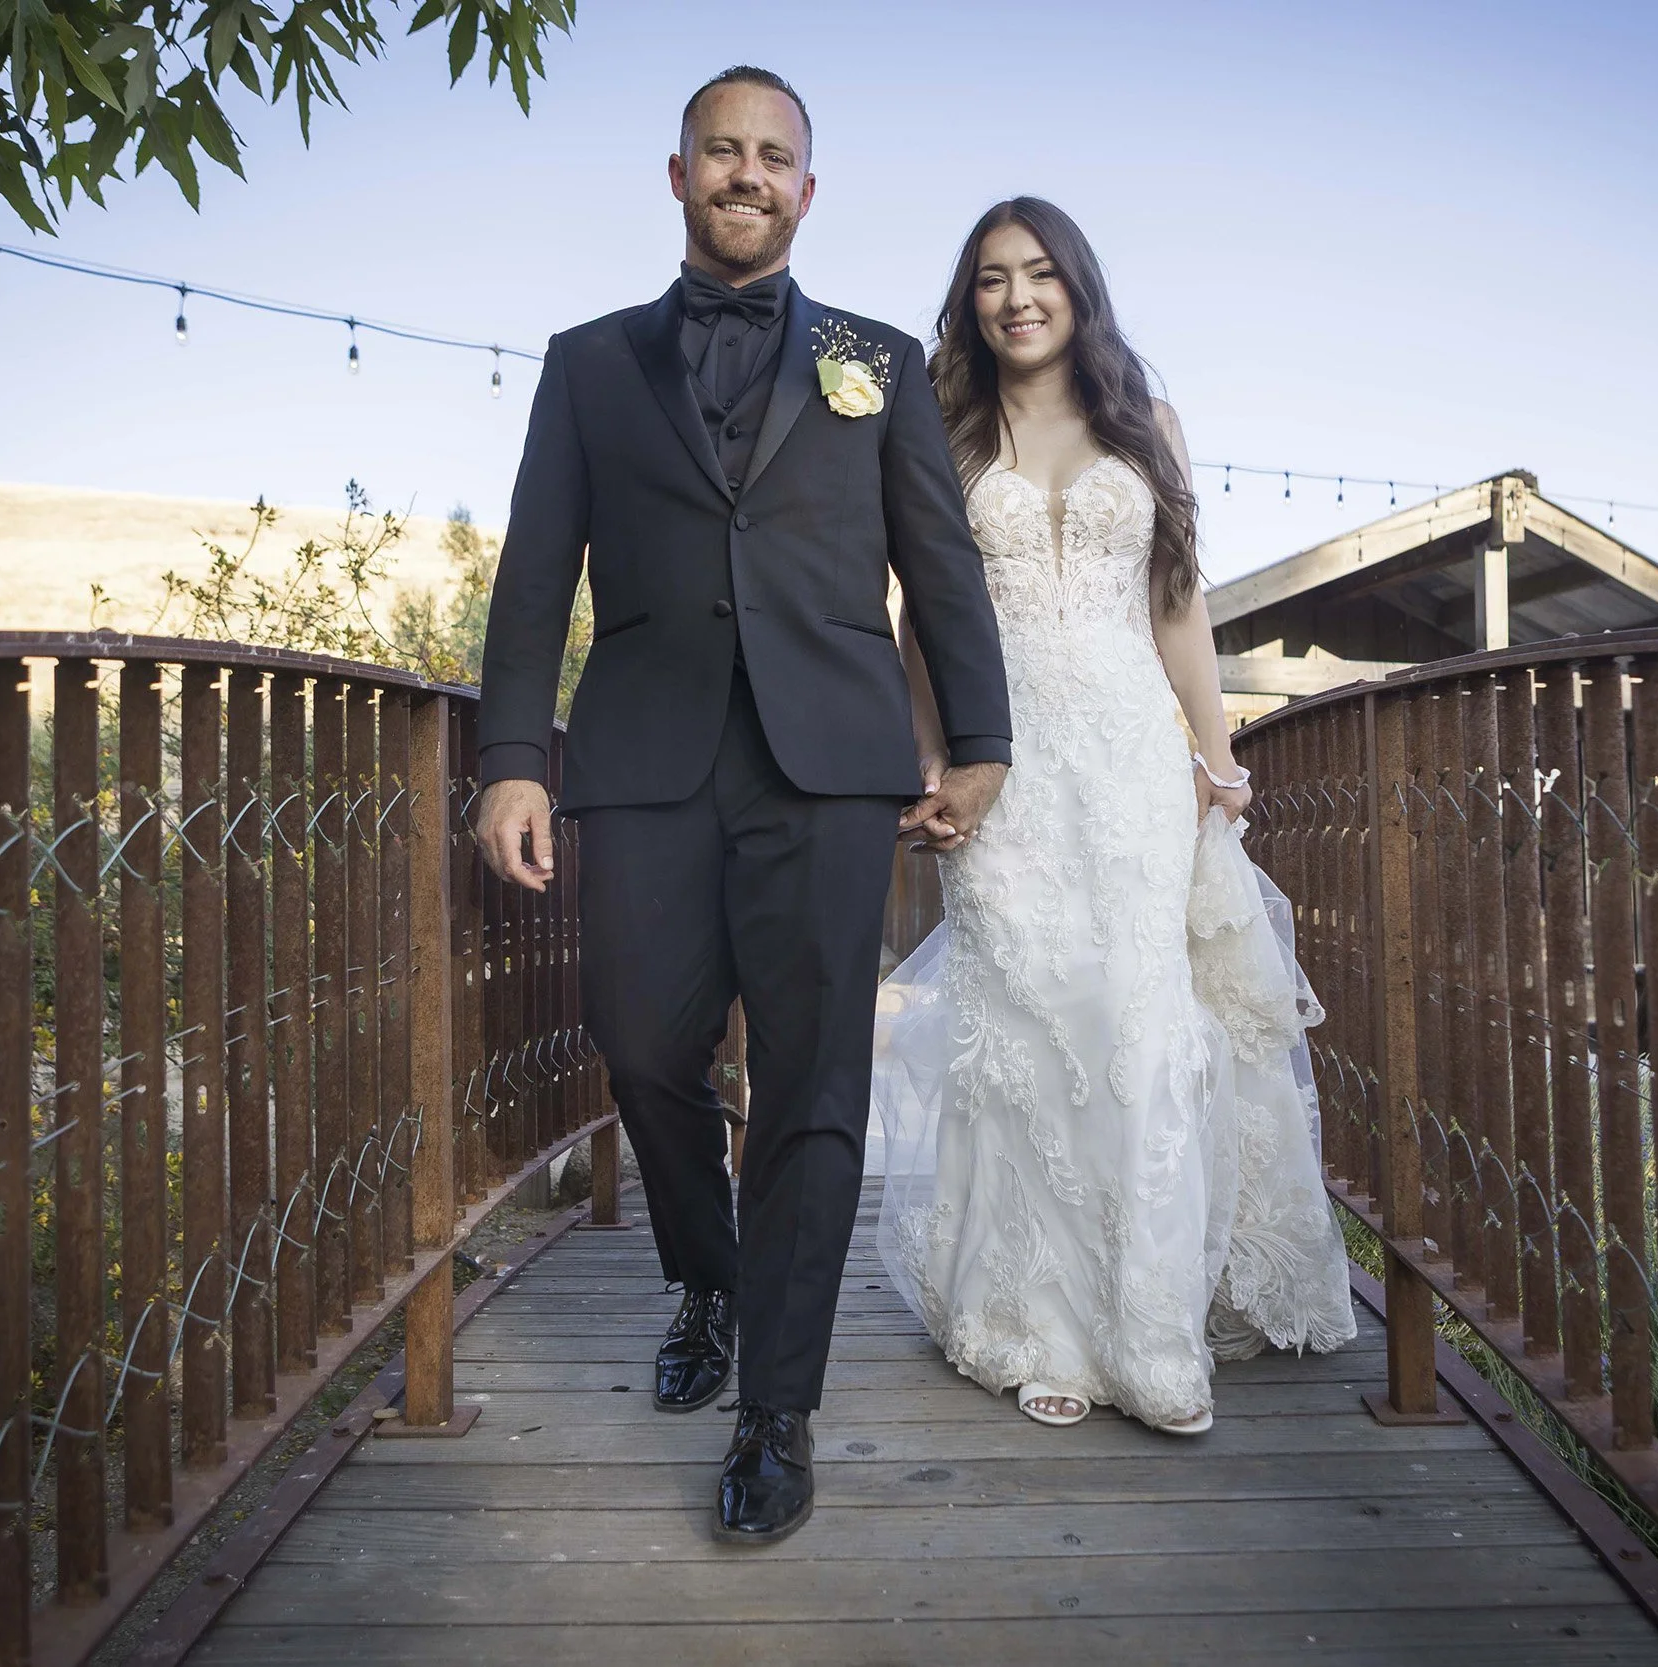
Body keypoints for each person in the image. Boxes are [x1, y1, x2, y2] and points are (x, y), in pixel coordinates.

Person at [471, 67, 1014, 1545]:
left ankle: (779, 1405)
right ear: (678, 173)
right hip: (644, 756)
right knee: (640, 1040)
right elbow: (534, 574)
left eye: (775, 156)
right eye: (725, 149)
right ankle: (706, 1270)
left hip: (828, 764)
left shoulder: (878, 360)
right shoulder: (589, 364)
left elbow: (940, 565)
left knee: (814, 1082)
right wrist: (513, 754)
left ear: (808, 191)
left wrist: (978, 737)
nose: (748, 172)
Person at [874, 197, 1357, 1436]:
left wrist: (1219, 753)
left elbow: (1179, 610)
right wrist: (934, 749)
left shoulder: (1149, 427)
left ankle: (1149, 1332)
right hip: (1004, 766)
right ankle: (1036, 1323)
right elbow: (919, 615)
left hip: (1132, 763)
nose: (1017, 297)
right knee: (1028, 1024)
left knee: (1137, 1021)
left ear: (1078, 288)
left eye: (1040, 274)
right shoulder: (937, 430)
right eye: (991, 279)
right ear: (969, 301)